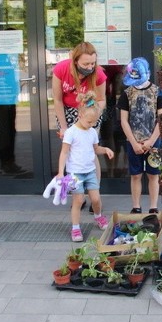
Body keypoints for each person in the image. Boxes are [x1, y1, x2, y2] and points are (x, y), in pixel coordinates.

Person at [52, 42, 107, 211]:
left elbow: (101, 100)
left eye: (92, 63)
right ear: (75, 61)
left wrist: (91, 114)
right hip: (68, 111)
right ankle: (79, 196)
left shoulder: (98, 74)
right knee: (71, 151)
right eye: (85, 64)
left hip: (91, 112)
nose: (90, 67)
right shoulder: (61, 69)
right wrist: (63, 126)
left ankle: (94, 194)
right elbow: (58, 99)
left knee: (90, 151)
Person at [56, 91, 114, 242]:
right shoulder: (71, 132)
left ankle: (98, 216)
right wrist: (61, 173)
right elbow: (64, 153)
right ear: (80, 115)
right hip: (75, 173)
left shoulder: (92, 132)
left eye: (94, 122)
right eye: (89, 122)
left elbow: (95, 149)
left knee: (96, 199)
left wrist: (106, 149)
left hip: (90, 171)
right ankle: (75, 228)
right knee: (78, 200)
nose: (92, 125)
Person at [117, 57, 162, 214]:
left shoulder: (157, 92)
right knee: (136, 175)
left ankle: (153, 207)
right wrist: (133, 143)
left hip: (154, 142)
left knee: (154, 175)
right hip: (133, 142)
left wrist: (151, 141)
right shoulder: (127, 93)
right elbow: (124, 121)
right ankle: (136, 206)